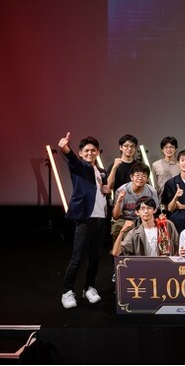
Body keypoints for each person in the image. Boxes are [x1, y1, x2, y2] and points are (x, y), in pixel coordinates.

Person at [57, 132, 112, 309]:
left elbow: (101, 193)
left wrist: (108, 191)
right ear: (80, 153)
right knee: (77, 257)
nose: (90, 153)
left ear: (98, 152)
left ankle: (89, 288)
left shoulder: (101, 172)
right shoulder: (80, 167)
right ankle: (67, 291)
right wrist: (66, 149)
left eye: (93, 150)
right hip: (85, 219)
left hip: (101, 219)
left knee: (95, 257)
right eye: (86, 150)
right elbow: (73, 161)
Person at [111, 197, 179, 257]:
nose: (146, 211)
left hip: (166, 264)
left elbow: (178, 245)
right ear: (137, 212)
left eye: (149, 208)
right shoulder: (134, 233)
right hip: (144, 266)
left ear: (154, 210)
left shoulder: (166, 225)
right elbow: (115, 253)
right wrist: (122, 232)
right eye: (142, 209)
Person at [110, 162, 159, 243]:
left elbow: (154, 212)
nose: (140, 178)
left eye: (143, 176)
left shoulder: (152, 192)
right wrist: (119, 201)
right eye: (137, 175)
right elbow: (115, 216)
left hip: (142, 220)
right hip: (123, 220)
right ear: (131, 177)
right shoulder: (122, 190)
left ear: (147, 179)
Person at [151, 136, 180, 201]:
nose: (169, 149)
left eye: (171, 147)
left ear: (176, 149)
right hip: (162, 200)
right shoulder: (155, 165)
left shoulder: (180, 164)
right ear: (162, 149)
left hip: (179, 199)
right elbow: (155, 186)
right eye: (166, 147)